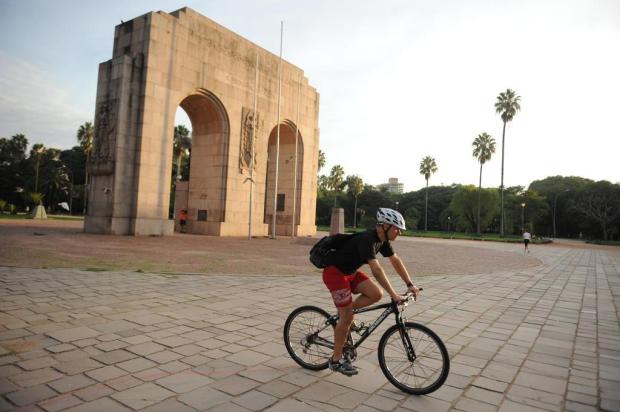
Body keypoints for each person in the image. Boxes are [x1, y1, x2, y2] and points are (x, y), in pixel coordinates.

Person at [322, 207, 420, 376]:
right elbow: (376, 269)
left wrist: (410, 284)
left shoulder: (382, 240)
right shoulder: (367, 239)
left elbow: (395, 261)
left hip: (350, 273)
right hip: (335, 274)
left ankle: (344, 314)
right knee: (346, 317)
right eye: (397, 229)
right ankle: (336, 360)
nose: (399, 233)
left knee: (376, 294)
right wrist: (394, 295)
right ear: (385, 226)